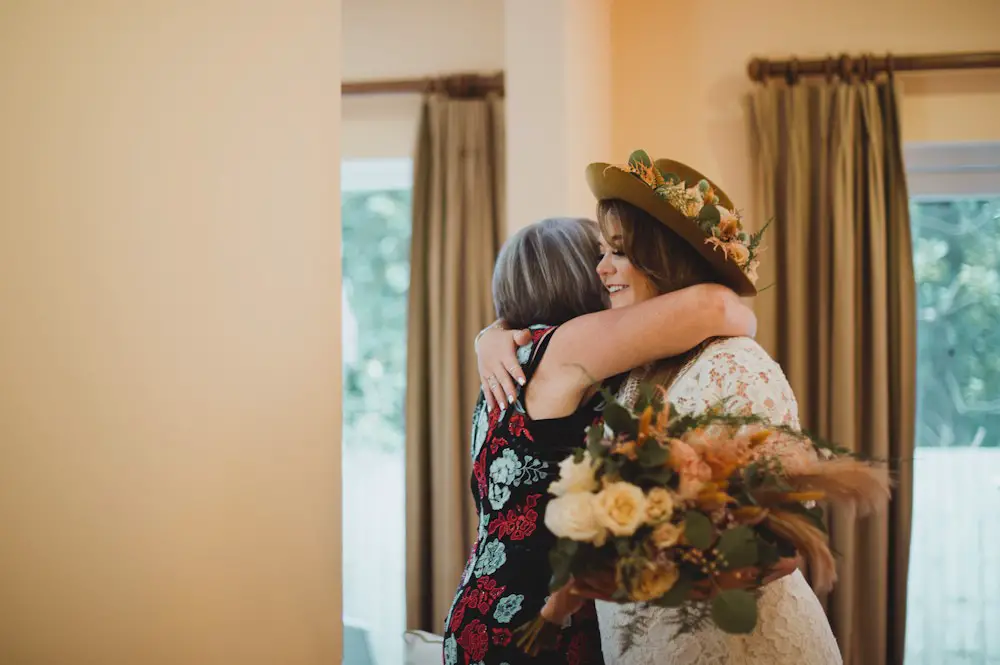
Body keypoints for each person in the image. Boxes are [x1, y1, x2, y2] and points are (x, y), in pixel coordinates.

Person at [477, 152, 843, 665]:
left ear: (661, 258)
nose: (601, 270)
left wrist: (652, 571)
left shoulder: (731, 365)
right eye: (599, 254)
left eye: (618, 253)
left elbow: (785, 545)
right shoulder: (619, 378)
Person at [442, 216, 757, 665]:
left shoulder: (522, 355)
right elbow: (721, 309)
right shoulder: (567, 348)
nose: (608, 269)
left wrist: (488, 332)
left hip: (489, 612)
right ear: (579, 275)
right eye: (601, 257)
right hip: (534, 628)